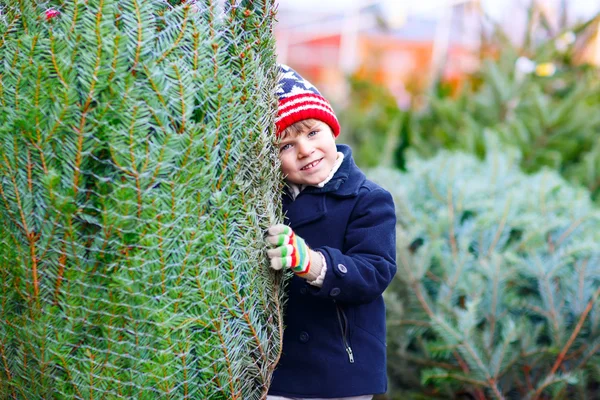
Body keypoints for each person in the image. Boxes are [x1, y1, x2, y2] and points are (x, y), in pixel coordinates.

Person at [265, 64, 397, 400]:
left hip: (341, 368)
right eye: (286, 145)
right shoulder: (268, 201)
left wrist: (313, 264)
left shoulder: (367, 198)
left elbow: (375, 270)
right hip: (283, 369)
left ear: (332, 129)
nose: (305, 150)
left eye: (312, 133)